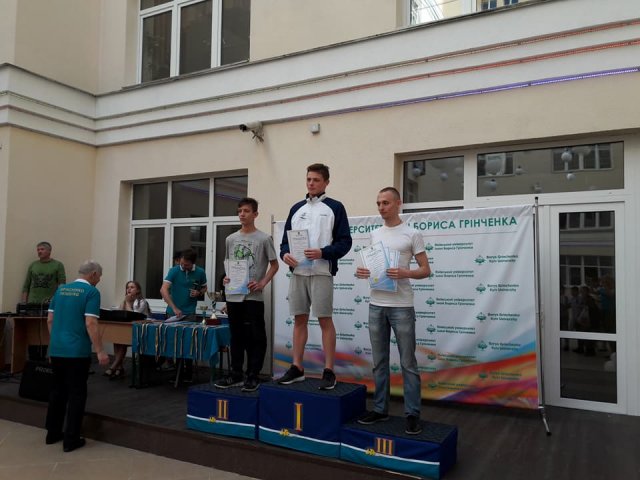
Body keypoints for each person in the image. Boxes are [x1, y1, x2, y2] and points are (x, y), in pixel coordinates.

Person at [355, 187, 430, 435]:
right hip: (376, 304)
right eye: (378, 203)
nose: (381, 207)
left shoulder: (412, 233)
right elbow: (371, 267)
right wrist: (362, 272)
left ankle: (412, 414)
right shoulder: (374, 233)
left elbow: (425, 269)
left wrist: (405, 272)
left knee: (408, 363)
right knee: (379, 362)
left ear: (399, 203)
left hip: (402, 306)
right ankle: (380, 409)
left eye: (386, 203)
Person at [278, 163, 352, 390]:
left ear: (326, 182)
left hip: (321, 272)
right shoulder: (296, 208)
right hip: (298, 272)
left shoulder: (335, 207)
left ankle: (329, 370)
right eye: (309, 179)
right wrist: (285, 255)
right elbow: (284, 243)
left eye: (316, 180)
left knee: (324, 320)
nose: (311, 183)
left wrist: (323, 252)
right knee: (299, 319)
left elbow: (345, 242)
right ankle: (297, 367)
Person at [214, 198, 279, 392]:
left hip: (253, 297)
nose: (242, 214)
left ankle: (253, 375)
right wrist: (226, 279)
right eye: (240, 211)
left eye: (246, 211)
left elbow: (274, 265)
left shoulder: (264, 239)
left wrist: (262, 283)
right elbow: (229, 264)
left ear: (255, 214)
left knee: (255, 336)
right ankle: (236, 374)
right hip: (234, 295)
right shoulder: (230, 239)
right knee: (236, 336)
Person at [45, 260, 109, 452]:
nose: (99, 280)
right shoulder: (91, 292)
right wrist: (100, 350)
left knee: (57, 392)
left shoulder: (60, 290)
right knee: (76, 394)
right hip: (77, 351)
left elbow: (50, 320)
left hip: (57, 349)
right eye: (99, 276)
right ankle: (71, 439)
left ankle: (52, 433)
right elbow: (91, 323)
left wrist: (55, 343)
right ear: (93, 274)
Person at [160, 248, 207, 381]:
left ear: (193, 263)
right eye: (181, 263)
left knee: (188, 343)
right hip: (173, 313)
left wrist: (199, 293)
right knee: (173, 342)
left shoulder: (200, 272)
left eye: (186, 264)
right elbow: (163, 290)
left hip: (190, 312)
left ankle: (188, 373)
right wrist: (174, 307)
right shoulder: (174, 271)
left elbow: (204, 288)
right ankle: (176, 371)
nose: (183, 266)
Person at [22, 241, 66, 359]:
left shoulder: (58, 265)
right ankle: (33, 359)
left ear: (49, 251)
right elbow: (26, 285)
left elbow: (62, 285)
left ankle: (42, 359)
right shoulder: (33, 265)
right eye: (38, 249)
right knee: (32, 333)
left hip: (49, 305)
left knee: (45, 332)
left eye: (42, 249)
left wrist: (56, 301)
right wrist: (24, 304)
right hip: (32, 305)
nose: (39, 251)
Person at [104, 280, 150, 379]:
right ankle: (119, 368)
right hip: (127, 330)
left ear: (138, 290)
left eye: (132, 287)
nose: (129, 289)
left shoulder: (142, 302)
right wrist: (124, 303)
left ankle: (113, 366)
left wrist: (128, 303)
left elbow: (134, 316)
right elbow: (120, 315)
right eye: (127, 287)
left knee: (122, 341)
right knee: (117, 340)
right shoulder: (124, 301)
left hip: (139, 331)